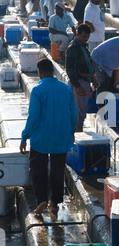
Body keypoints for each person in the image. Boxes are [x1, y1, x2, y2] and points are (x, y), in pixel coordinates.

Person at [20, 58, 77, 216]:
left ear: (40, 72)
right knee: (58, 169)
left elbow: (33, 117)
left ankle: (42, 199)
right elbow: (73, 114)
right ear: (52, 71)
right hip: (61, 137)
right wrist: (72, 131)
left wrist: (24, 136)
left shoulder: (38, 90)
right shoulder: (66, 89)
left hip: (41, 138)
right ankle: (54, 203)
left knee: (37, 167)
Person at [66, 23, 98, 132]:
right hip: (78, 83)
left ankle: (78, 133)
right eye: (84, 37)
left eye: (87, 37)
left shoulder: (83, 46)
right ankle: (77, 136)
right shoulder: (73, 48)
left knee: (81, 112)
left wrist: (93, 79)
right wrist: (78, 86)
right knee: (77, 114)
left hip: (85, 82)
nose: (85, 39)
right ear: (78, 35)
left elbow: (88, 64)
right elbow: (70, 70)